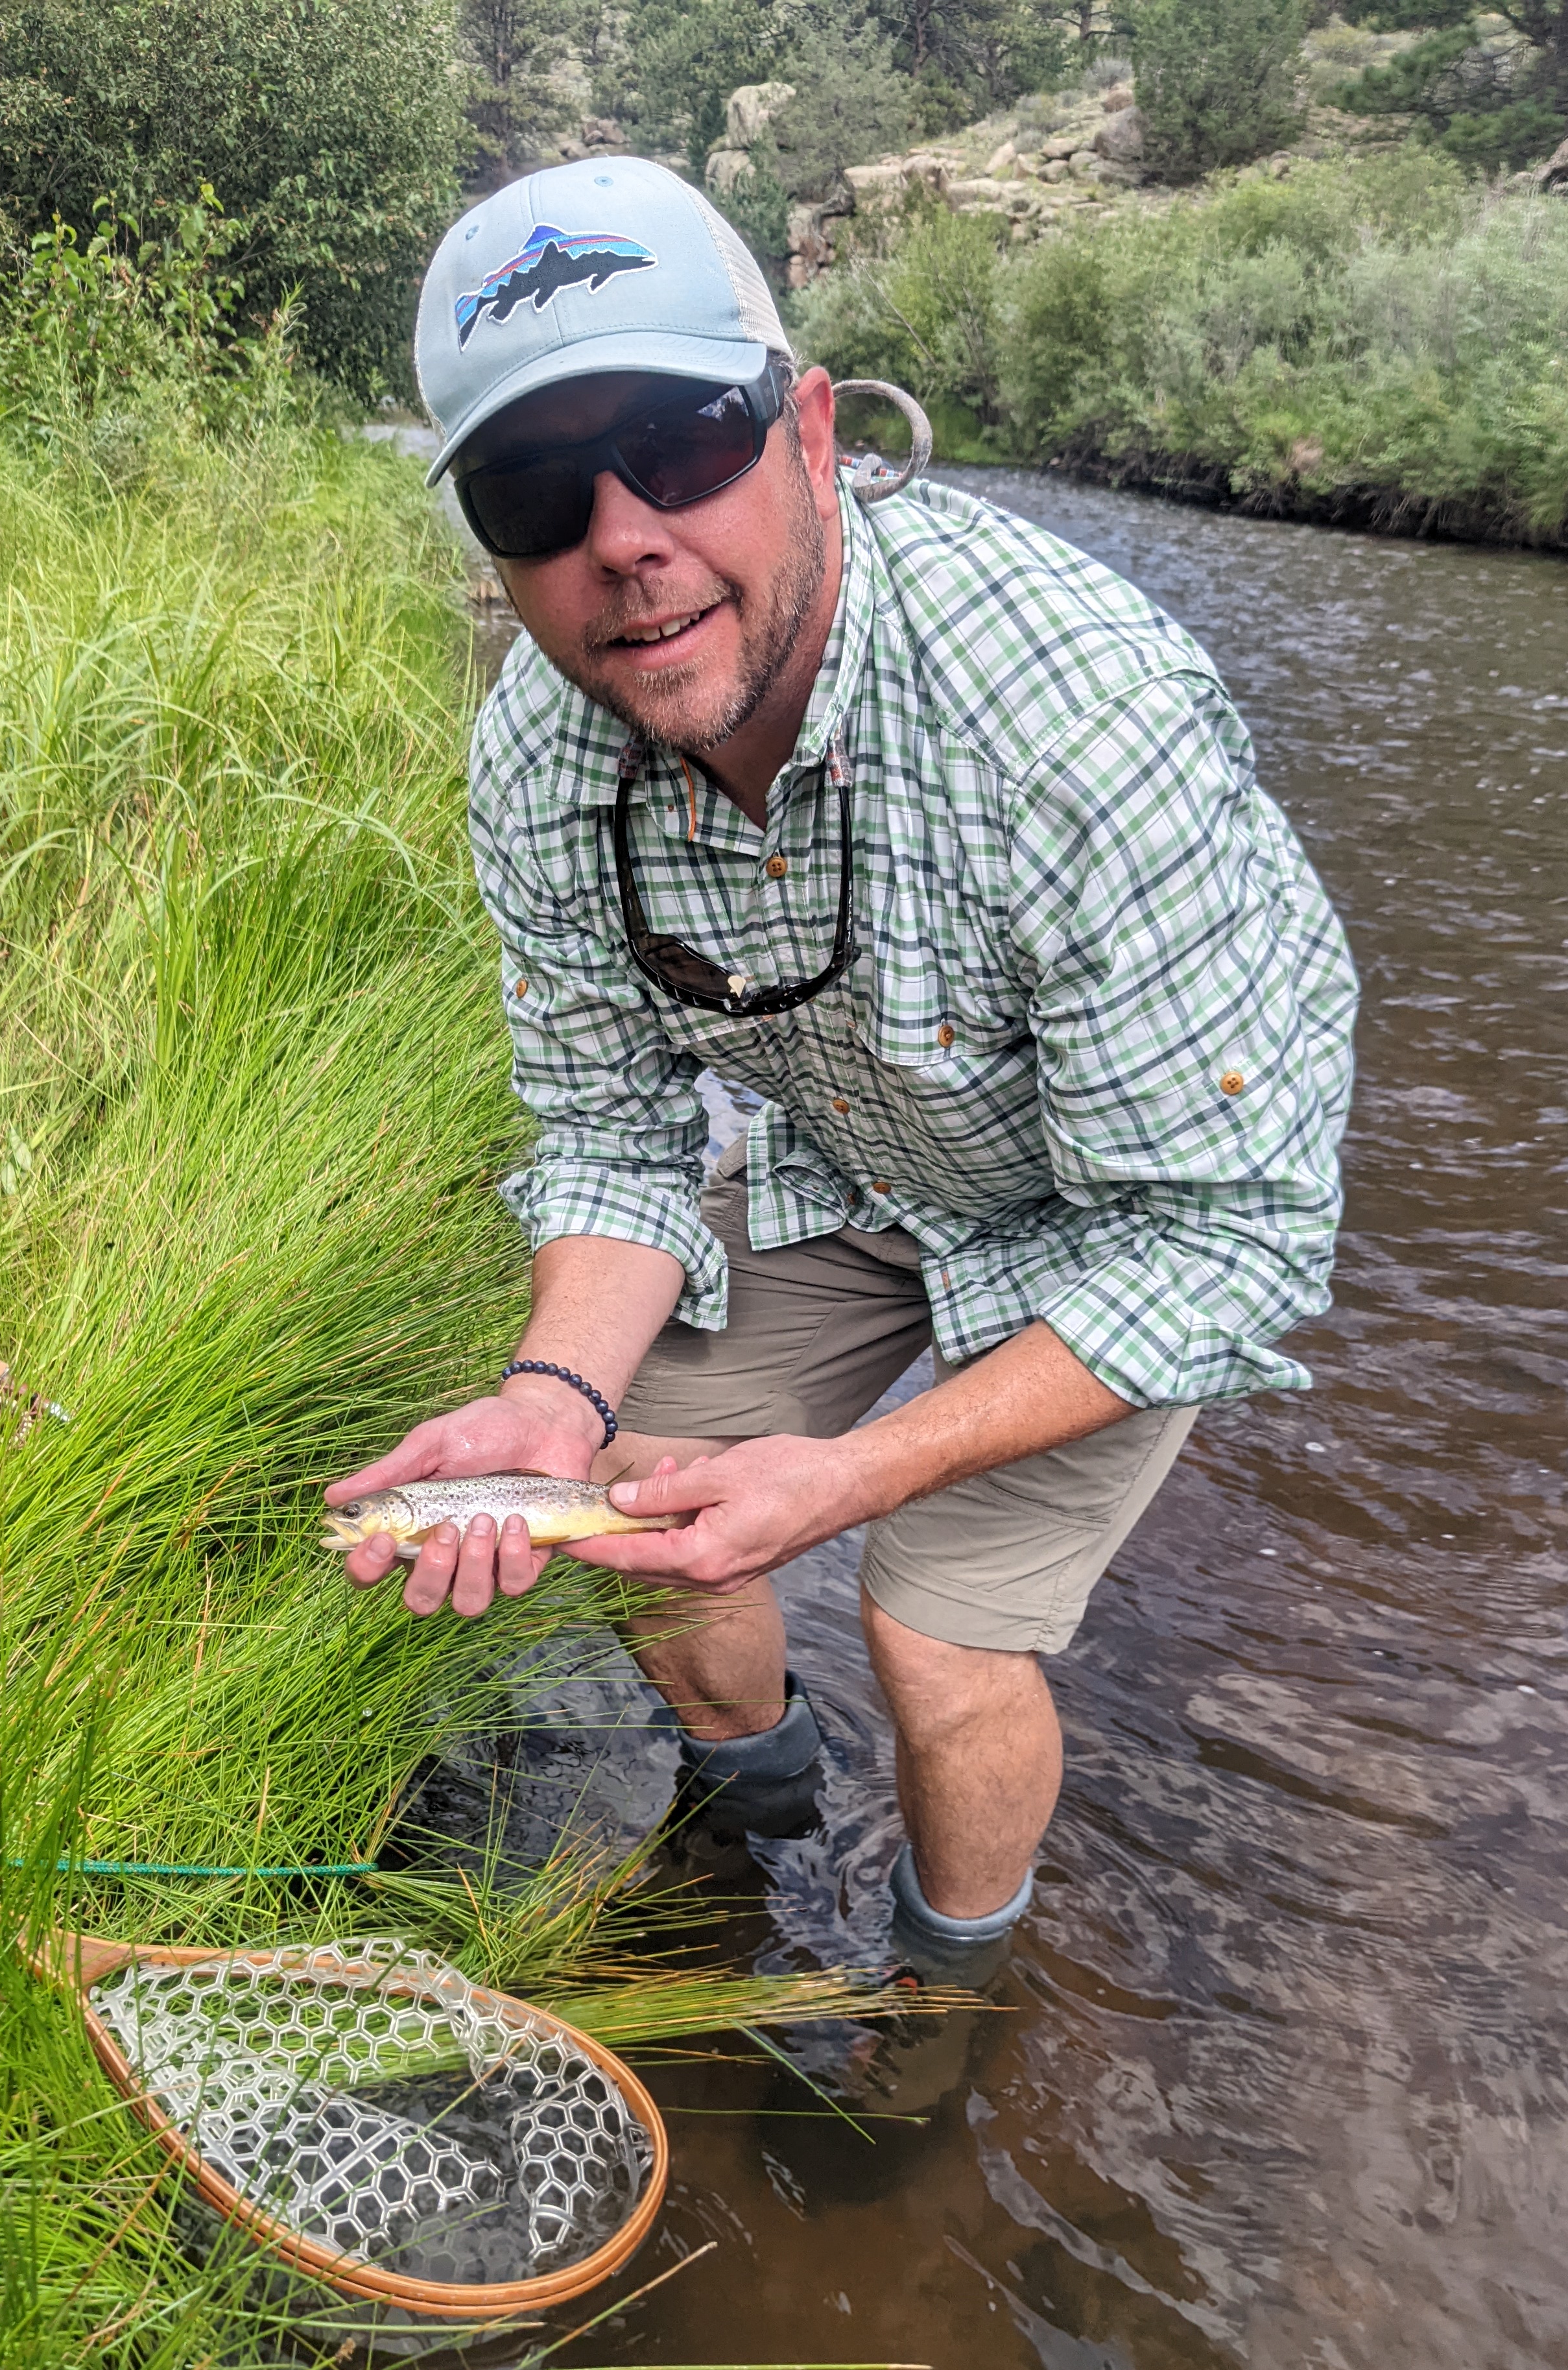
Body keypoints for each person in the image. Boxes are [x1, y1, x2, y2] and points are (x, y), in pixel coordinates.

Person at [326, 158, 1357, 1964]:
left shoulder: (1075, 717)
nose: (625, 537)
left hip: (1128, 1212)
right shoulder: (541, 757)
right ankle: (757, 1813)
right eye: (536, 487)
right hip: (864, 1154)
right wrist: (549, 1406)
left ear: (810, 426)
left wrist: (859, 1475)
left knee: (936, 1622)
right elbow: (609, 1138)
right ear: (491, 539)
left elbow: (1232, 1245)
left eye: (684, 441)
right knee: (634, 1484)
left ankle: (950, 1990)